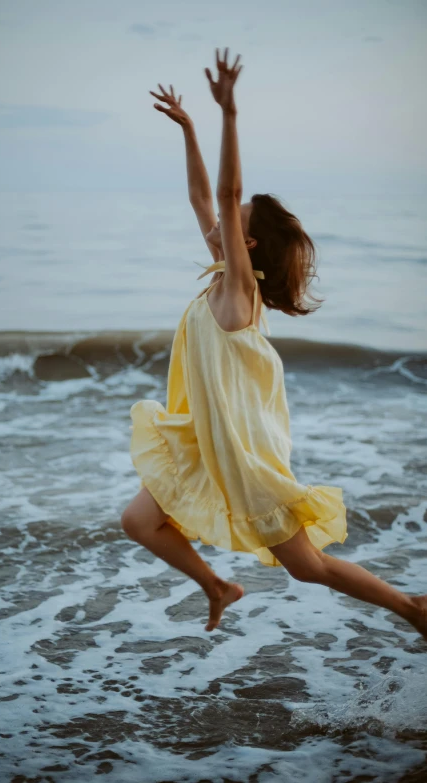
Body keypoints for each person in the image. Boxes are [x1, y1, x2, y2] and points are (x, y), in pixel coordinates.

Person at [121, 47, 427, 640]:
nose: (222, 214)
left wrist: (228, 113)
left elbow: (230, 183)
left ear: (249, 245)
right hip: (203, 435)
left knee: (309, 569)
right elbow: (201, 196)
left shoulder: (239, 289)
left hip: (241, 451)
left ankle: (413, 608)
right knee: (139, 520)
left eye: (236, 216)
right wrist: (188, 128)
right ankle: (218, 586)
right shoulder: (222, 275)